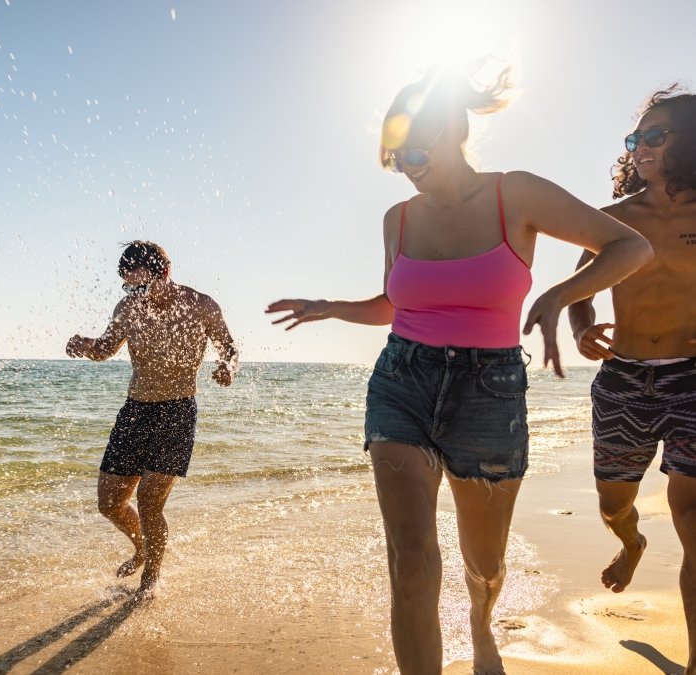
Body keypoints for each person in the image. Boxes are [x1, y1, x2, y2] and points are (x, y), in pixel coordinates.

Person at [266, 65, 653, 675]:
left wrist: (557, 295)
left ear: (451, 128)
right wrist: (330, 308)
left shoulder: (515, 194)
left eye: (417, 149)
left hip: (490, 393)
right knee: (413, 559)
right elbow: (397, 304)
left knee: (485, 563)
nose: (408, 165)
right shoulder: (397, 219)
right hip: (402, 383)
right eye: (395, 157)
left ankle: (480, 622)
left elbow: (631, 246)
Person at [568, 87, 696, 673]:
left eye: (655, 136)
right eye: (634, 139)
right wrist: (583, 326)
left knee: (692, 518)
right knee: (613, 503)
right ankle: (631, 543)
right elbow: (580, 286)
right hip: (623, 381)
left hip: (693, 381)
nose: (640, 148)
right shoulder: (613, 219)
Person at [66, 240, 237, 598]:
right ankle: (141, 547)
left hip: (176, 413)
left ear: (166, 273)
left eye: (142, 285)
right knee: (109, 503)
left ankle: (150, 580)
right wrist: (85, 347)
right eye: (130, 286)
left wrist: (226, 366)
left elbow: (230, 348)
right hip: (135, 411)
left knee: (149, 502)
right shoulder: (128, 308)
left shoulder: (200, 306)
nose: (137, 293)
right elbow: (105, 349)